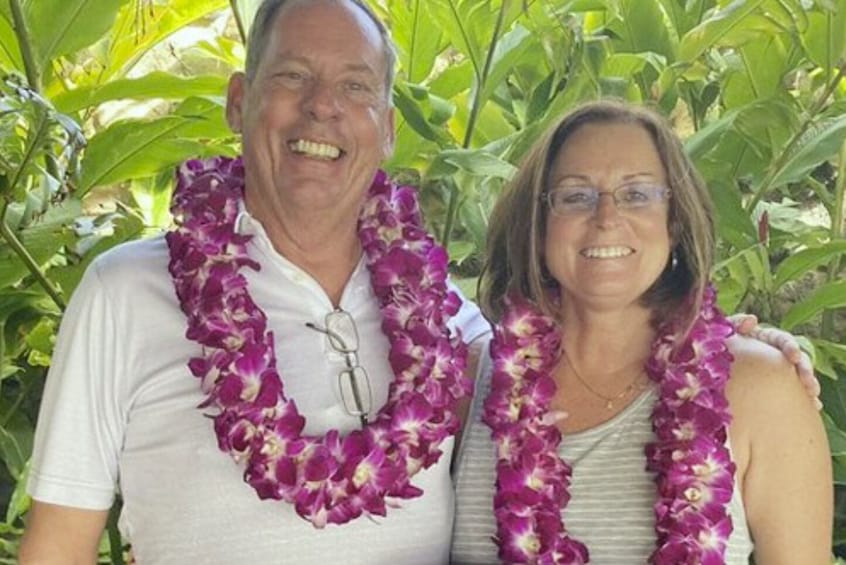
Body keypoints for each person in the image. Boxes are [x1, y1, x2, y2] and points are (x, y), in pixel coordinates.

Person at [18, 2, 820, 564]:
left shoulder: (444, 329)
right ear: (239, 100)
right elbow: (56, 546)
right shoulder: (125, 291)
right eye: (292, 76)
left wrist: (744, 348)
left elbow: (615, 338)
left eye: (357, 87)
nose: (323, 109)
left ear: (389, 126)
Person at [450, 100, 832, 564]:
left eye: (637, 194)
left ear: (673, 221)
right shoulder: (472, 385)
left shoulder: (757, 386)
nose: (606, 217)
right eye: (575, 196)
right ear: (538, 223)